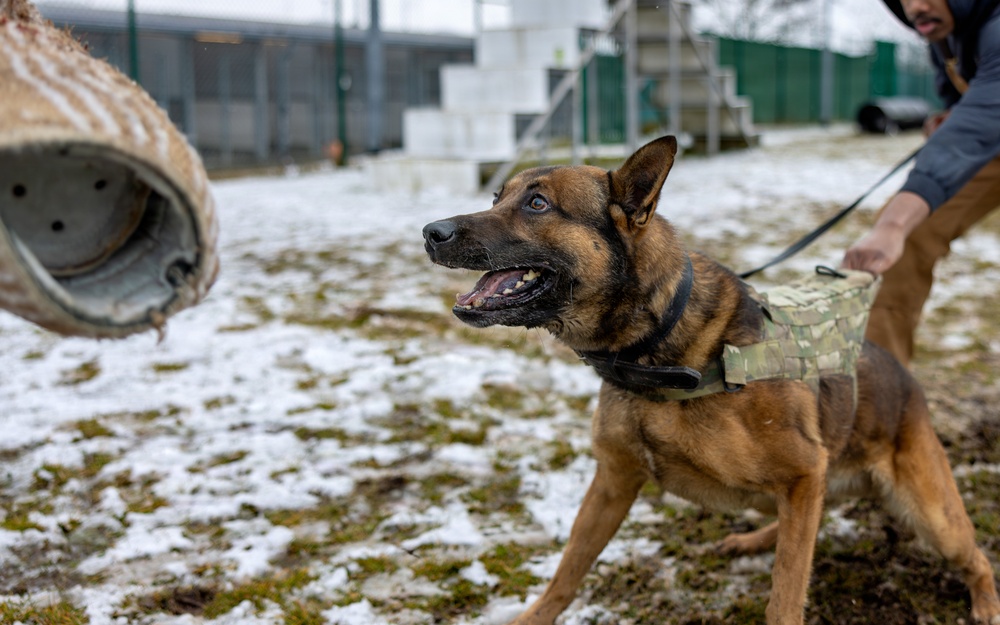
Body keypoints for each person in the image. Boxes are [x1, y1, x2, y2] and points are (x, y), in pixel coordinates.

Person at [842, 0, 1000, 366]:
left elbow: (976, 125)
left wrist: (894, 221)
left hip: (981, 139)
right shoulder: (945, 32)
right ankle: (883, 388)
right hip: (991, 151)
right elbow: (968, 104)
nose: (915, 7)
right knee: (901, 244)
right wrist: (950, 115)